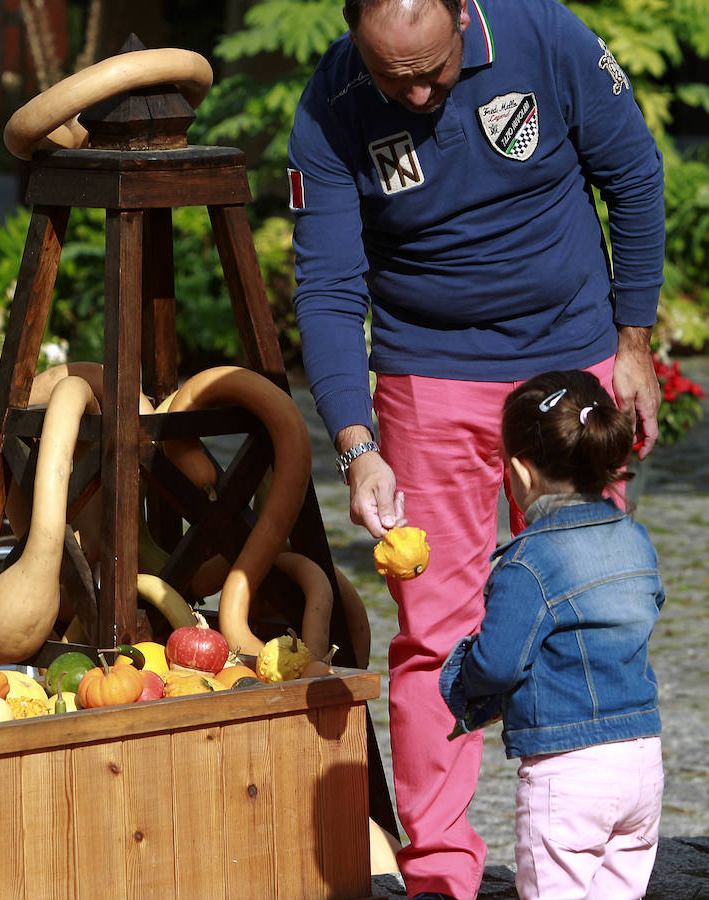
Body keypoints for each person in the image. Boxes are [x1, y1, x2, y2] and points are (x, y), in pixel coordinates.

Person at [287, 0, 665, 896]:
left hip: (569, 359)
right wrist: (356, 445)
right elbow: (330, 288)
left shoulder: (548, 37)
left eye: (432, 70)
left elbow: (635, 176)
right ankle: (440, 873)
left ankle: (597, 860)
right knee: (433, 635)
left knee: (595, 606)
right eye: (394, 78)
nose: (417, 95)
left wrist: (635, 342)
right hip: (428, 375)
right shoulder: (331, 102)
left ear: (464, 15)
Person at [439, 369, 665, 900]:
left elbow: (496, 664)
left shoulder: (528, 562)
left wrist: (465, 685)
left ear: (519, 472)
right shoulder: (635, 538)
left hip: (569, 771)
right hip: (641, 760)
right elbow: (649, 604)